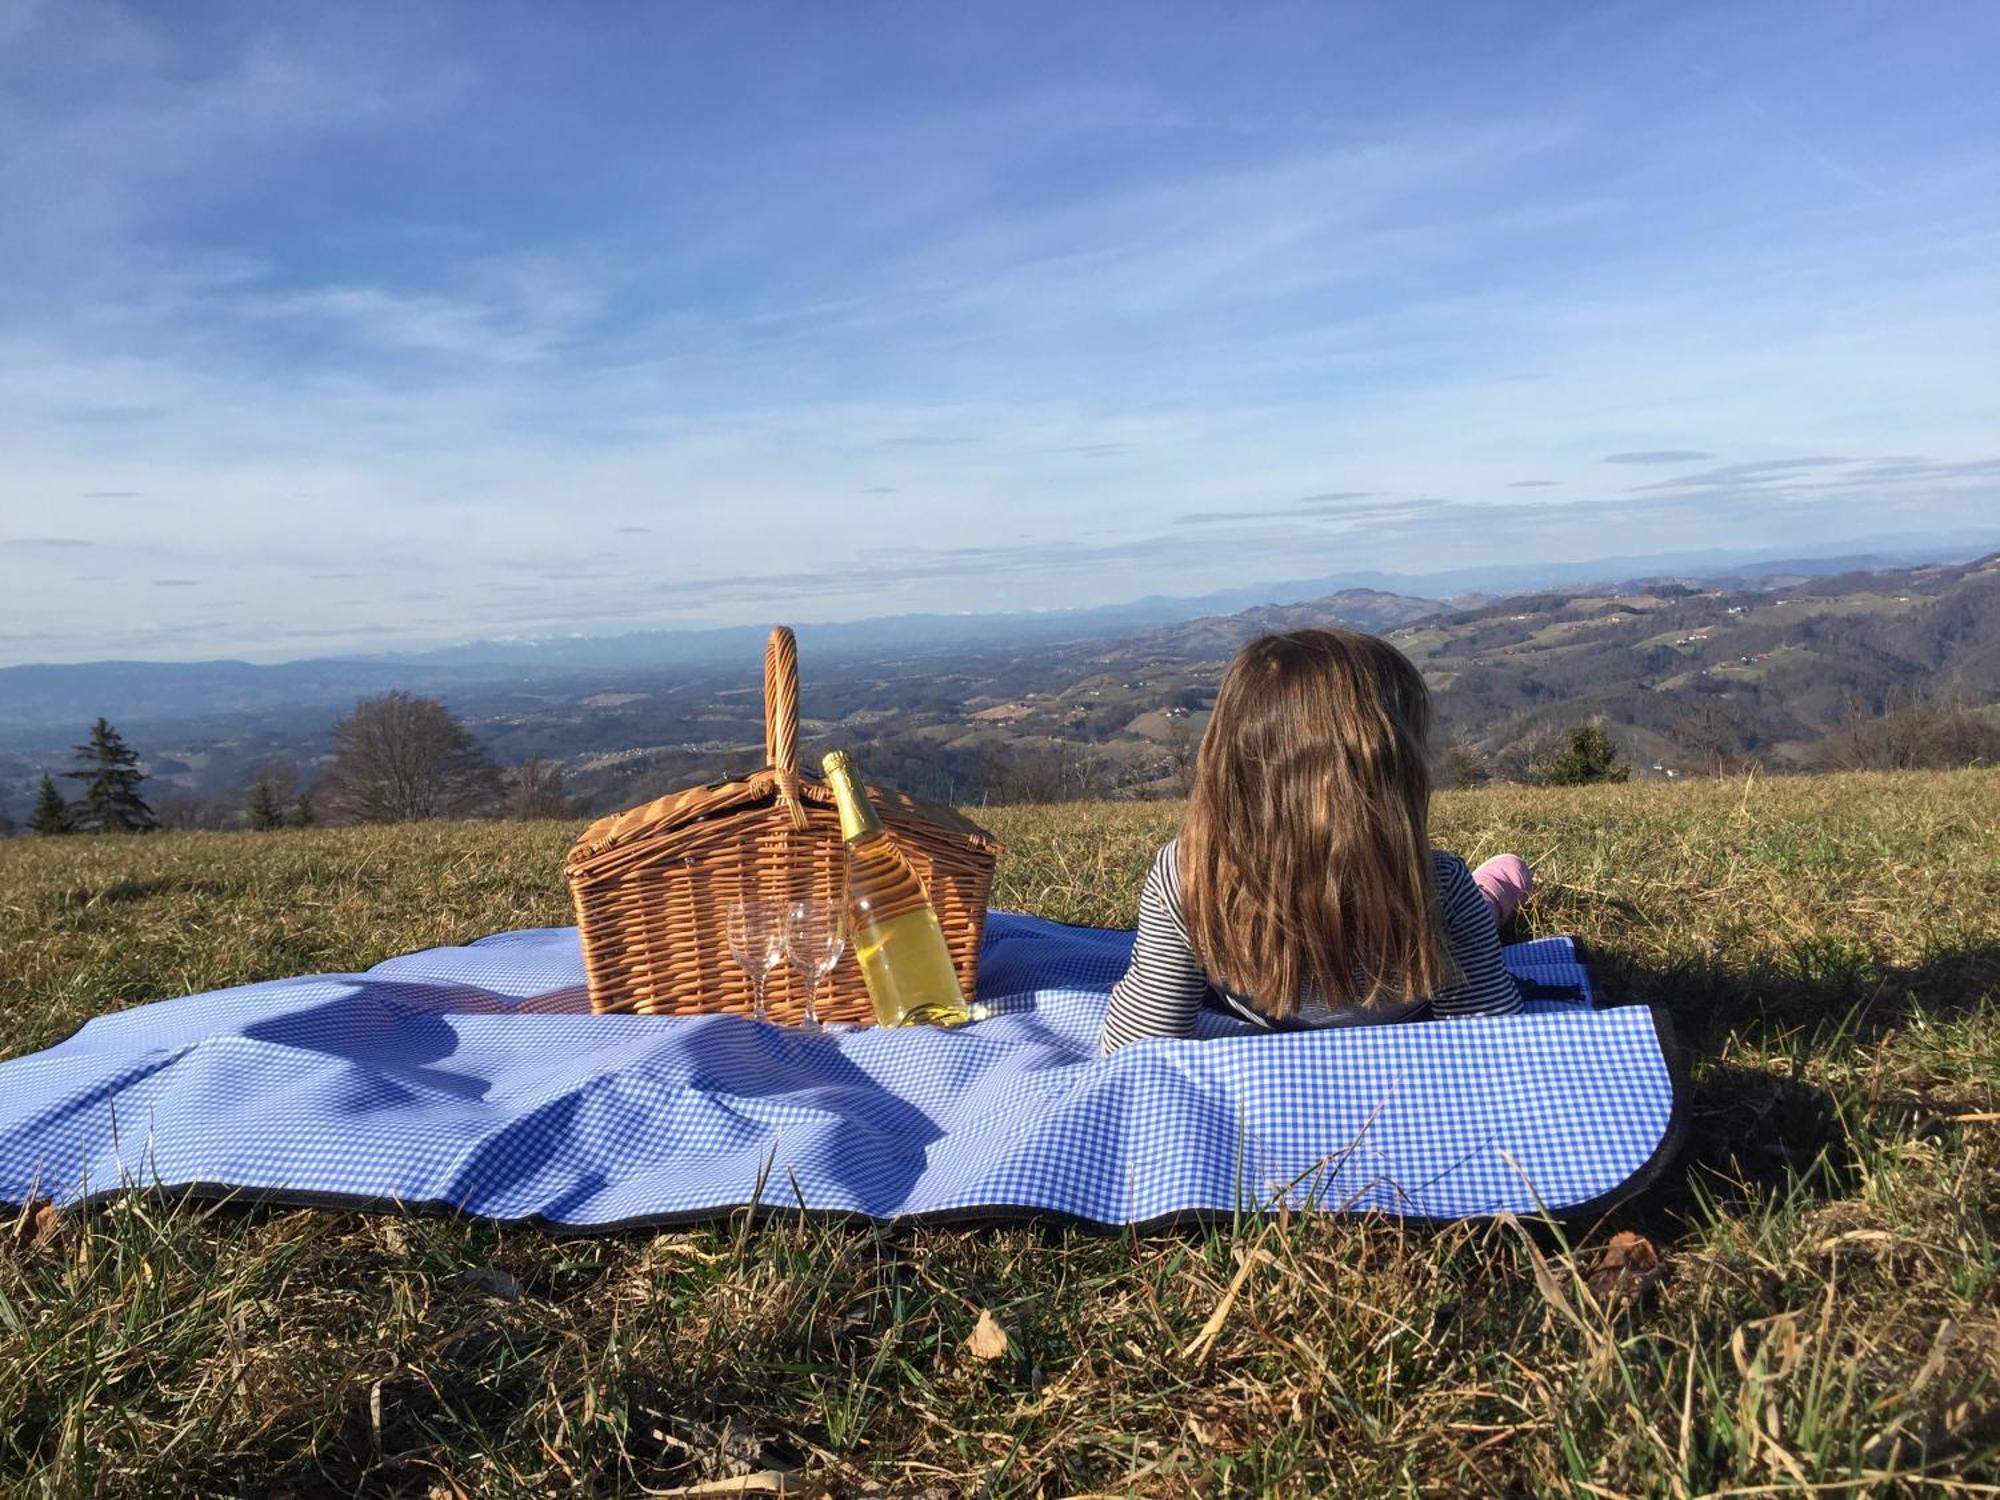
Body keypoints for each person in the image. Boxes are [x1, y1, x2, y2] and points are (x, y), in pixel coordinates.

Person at [1100, 628, 1535, 1053]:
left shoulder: (1186, 876)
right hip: (1409, 1003)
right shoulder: (1440, 887)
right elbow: (1491, 1043)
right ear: (1395, 778)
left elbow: (1135, 1044)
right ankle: (1493, 896)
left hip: (1258, 1016)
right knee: (1479, 904)